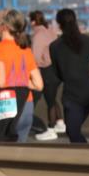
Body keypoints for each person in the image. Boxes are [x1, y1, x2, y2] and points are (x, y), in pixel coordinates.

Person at [0, 9, 43, 142]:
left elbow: (0, 82)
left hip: (6, 105)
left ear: (4, 26)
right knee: (19, 152)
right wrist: (21, 81)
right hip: (27, 105)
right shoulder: (25, 50)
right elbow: (38, 85)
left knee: (0, 149)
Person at [49, 8, 89, 144]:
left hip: (72, 95)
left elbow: (57, 74)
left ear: (59, 24)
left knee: (73, 132)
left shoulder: (54, 47)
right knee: (74, 130)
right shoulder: (87, 40)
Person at [29, 10, 62, 141]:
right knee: (53, 98)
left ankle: (51, 129)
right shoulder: (50, 31)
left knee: (50, 101)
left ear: (32, 22)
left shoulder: (37, 35)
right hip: (57, 69)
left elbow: (35, 58)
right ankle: (60, 123)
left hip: (47, 70)